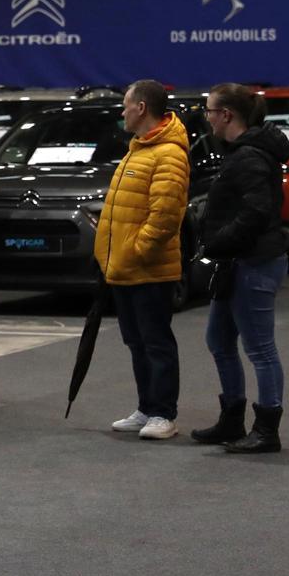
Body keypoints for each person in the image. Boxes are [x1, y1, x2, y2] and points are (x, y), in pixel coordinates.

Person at [192, 83, 289, 453]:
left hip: (254, 262)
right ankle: (232, 419)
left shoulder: (248, 156)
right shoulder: (243, 153)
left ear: (227, 115)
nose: (208, 118)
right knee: (218, 340)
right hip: (239, 262)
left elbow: (256, 211)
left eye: (210, 111)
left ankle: (267, 429)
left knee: (260, 349)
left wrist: (218, 241)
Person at [93, 79, 190, 440]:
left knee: (156, 342)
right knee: (136, 342)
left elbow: (164, 216)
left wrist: (136, 251)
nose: (122, 111)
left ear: (141, 108)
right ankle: (147, 407)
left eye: (125, 104)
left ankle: (164, 414)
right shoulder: (139, 149)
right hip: (124, 268)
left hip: (148, 269)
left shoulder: (169, 154)